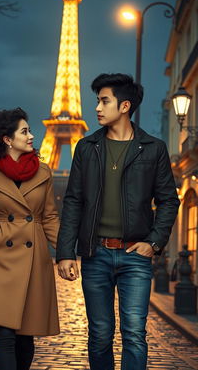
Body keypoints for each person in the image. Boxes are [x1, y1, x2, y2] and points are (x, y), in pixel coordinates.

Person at [56, 73, 180, 370]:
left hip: (135, 256)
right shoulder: (86, 148)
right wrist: (64, 252)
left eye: (104, 101)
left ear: (124, 106)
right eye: (97, 100)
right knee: (99, 335)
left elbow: (169, 200)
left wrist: (153, 242)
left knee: (134, 334)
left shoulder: (153, 148)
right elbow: (73, 201)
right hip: (95, 254)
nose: (97, 107)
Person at [0, 108, 60, 370]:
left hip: (33, 263)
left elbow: (50, 218)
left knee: (24, 338)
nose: (32, 136)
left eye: (29, 130)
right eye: (25, 131)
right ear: (7, 139)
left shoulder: (44, 172)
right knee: (4, 337)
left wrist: (66, 252)